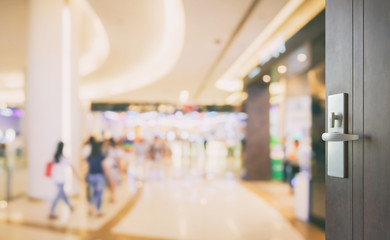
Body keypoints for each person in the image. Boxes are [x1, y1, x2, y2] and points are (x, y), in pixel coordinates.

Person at [49, 141, 79, 220]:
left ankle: (70, 206)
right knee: (58, 196)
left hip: (56, 179)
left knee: (63, 195)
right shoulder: (63, 158)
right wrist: (78, 177)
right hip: (61, 180)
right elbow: (72, 167)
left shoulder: (55, 157)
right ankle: (51, 212)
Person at [86, 141, 109, 217]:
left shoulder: (89, 157)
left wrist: (86, 176)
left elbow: (88, 168)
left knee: (91, 193)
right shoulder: (101, 156)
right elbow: (104, 167)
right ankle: (98, 211)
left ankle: (90, 208)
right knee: (99, 194)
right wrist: (109, 176)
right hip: (99, 177)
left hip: (91, 176)